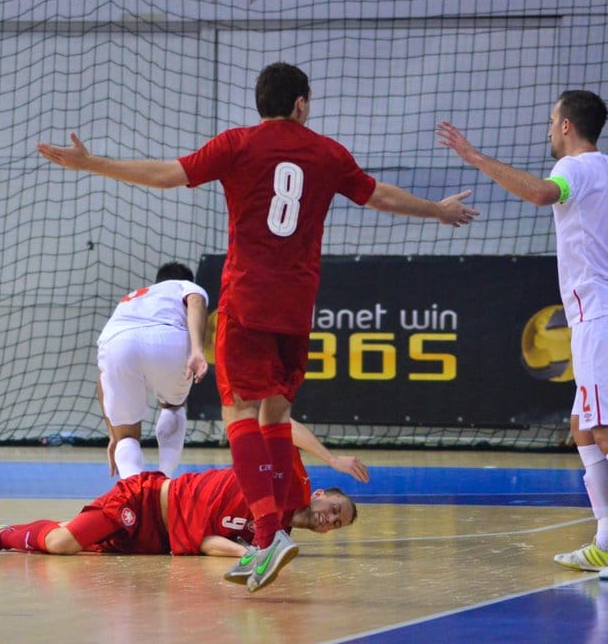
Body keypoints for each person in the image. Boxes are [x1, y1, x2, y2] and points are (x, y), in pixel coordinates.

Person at [38, 61, 477, 592]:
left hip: (247, 301)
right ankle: (271, 534)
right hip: (296, 308)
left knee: (238, 412)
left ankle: (269, 535)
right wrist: (436, 210)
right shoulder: (327, 153)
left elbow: (166, 174)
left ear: (260, 103)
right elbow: (379, 195)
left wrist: (93, 164)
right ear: (301, 103)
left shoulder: (238, 144)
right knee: (277, 413)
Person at [437, 90, 608, 572]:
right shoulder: (605, 169)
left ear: (569, 126)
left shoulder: (574, 168)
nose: (549, 129)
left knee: (601, 430)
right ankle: (605, 540)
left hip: (596, 316)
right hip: (591, 317)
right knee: (582, 427)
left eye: (553, 120)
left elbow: (539, 194)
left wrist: (473, 157)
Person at [0, 421, 367, 559]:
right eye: (334, 508)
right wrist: (334, 459)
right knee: (63, 543)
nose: (330, 520)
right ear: (320, 495)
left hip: (157, 541)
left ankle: (4, 531)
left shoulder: (273, 537)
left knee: (69, 542)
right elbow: (283, 425)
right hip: (144, 499)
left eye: (337, 524)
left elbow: (205, 541)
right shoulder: (293, 482)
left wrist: (252, 554)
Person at [97, 261, 208, 480]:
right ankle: (164, 479)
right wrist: (197, 350)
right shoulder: (184, 286)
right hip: (166, 339)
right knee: (174, 404)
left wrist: (114, 434)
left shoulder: (135, 296)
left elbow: (102, 379)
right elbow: (195, 300)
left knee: (126, 437)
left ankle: (135, 498)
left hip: (116, 344)